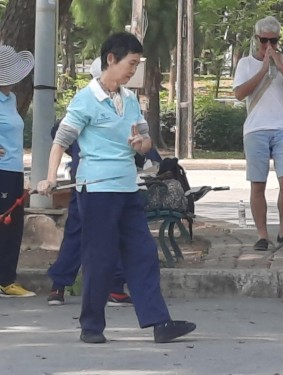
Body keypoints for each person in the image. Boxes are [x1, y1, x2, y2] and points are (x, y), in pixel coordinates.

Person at [37, 32, 195, 344]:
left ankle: (159, 322)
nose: (133, 70)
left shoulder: (131, 100)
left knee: (144, 253)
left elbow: (146, 141)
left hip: (128, 188)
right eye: (131, 63)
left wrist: (141, 144)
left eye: (137, 64)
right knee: (101, 257)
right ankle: (91, 326)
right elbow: (60, 141)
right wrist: (50, 177)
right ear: (111, 59)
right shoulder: (85, 100)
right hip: (96, 190)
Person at [233, 16, 283, 251]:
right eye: (264, 40)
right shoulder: (245, 64)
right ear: (256, 39)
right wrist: (264, 68)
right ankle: (262, 235)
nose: (268, 45)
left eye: (273, 40)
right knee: (258, 184)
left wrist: (280, 66)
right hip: (255, 128)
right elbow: (239, 94)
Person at [46, 120, 132, 307]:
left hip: (87, 175)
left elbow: (58, 133)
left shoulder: (86, 106)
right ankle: (115, 287)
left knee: (77, 230)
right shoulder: (106, 108)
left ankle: (58, 286)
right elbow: (58, 134)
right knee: (110, 232)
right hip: (103, 178)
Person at [0, 45, 36, 298]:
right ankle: (4, 280)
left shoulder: (10, 99)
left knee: (13, 226)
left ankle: (7, 279)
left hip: (14, 169)